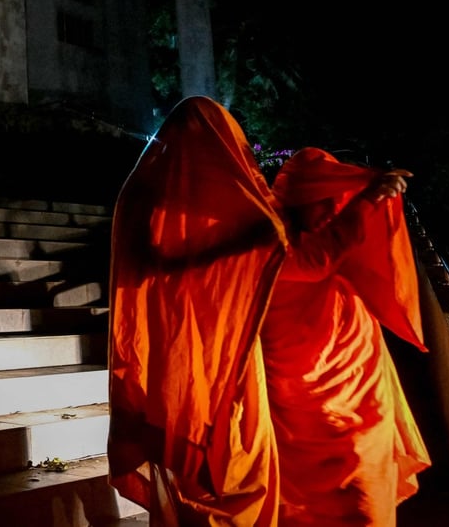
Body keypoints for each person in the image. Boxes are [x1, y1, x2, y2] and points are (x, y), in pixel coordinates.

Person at [106, 95, 288, 525]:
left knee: (237, 454)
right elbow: (156, 261)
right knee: (200, 458)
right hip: (187, 351)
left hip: (222, 347)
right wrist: (242, 244)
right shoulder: (150, 192)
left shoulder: (205, 192)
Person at [261, 147, 431, 526]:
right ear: (296, 203)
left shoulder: (325, 242)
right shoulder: (268, 243)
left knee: (367, 485)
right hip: (299, 398)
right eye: (320, 202)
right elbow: (315, 261)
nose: (330, 210)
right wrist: (369, 200)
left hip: (361, 385)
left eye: (333, 201)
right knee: (307, 499)